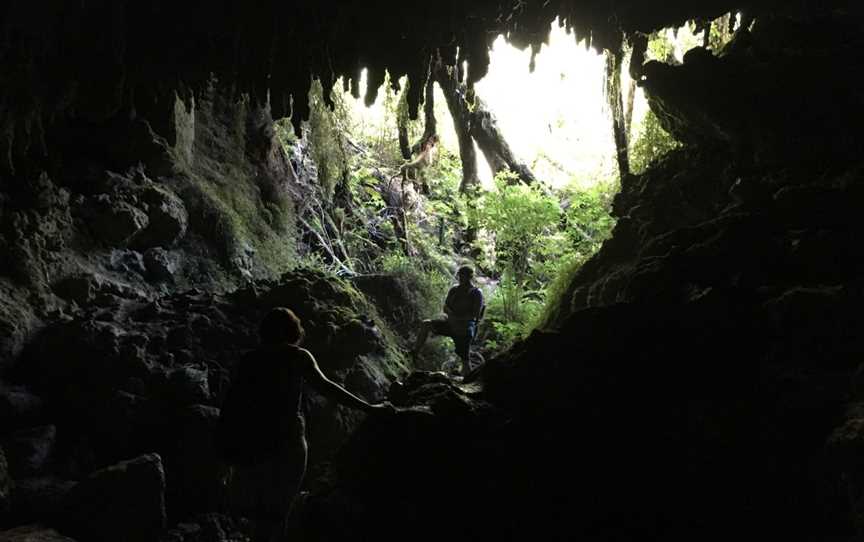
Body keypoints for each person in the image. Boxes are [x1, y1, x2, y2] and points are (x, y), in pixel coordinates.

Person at [218, 307, 391, 542]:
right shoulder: (298, 356)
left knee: (256, 514)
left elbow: (232, 402)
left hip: (255, 441)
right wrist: (369, 408)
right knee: (278, 514)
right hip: (288, 443)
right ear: (293, 330)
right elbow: (328, 388)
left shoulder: (249, 359)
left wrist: (226, 446)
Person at [412, 265, 484, 377]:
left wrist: (458, 319)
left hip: (465, 329)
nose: (460, 278)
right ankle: (414, 353)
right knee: (426, 324)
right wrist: (451, 315)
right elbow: (445, 307)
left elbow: (475, 315)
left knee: (465, 359)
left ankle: (468, 381)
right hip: (450, 324)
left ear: (470, 277)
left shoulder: (476, 293)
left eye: (463, 276)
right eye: (460, 275)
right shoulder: (454, 290)